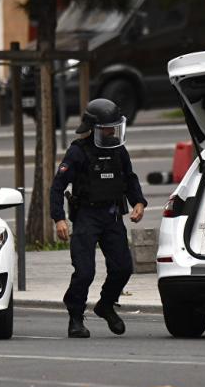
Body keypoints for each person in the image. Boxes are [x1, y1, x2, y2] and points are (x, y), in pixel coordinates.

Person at [49, 98, 148, 338]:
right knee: (85, 272)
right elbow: (57, 186)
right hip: (87, 216)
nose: (111, 133)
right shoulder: (77, 152)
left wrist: (139, 202)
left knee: (123, 267)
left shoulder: (117, 149)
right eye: (106, 128)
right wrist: (59, 218)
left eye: (114, 128)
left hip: (112, 216)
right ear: (92, 128)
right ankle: (75, 316)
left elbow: (130, 178)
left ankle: (106, 304)